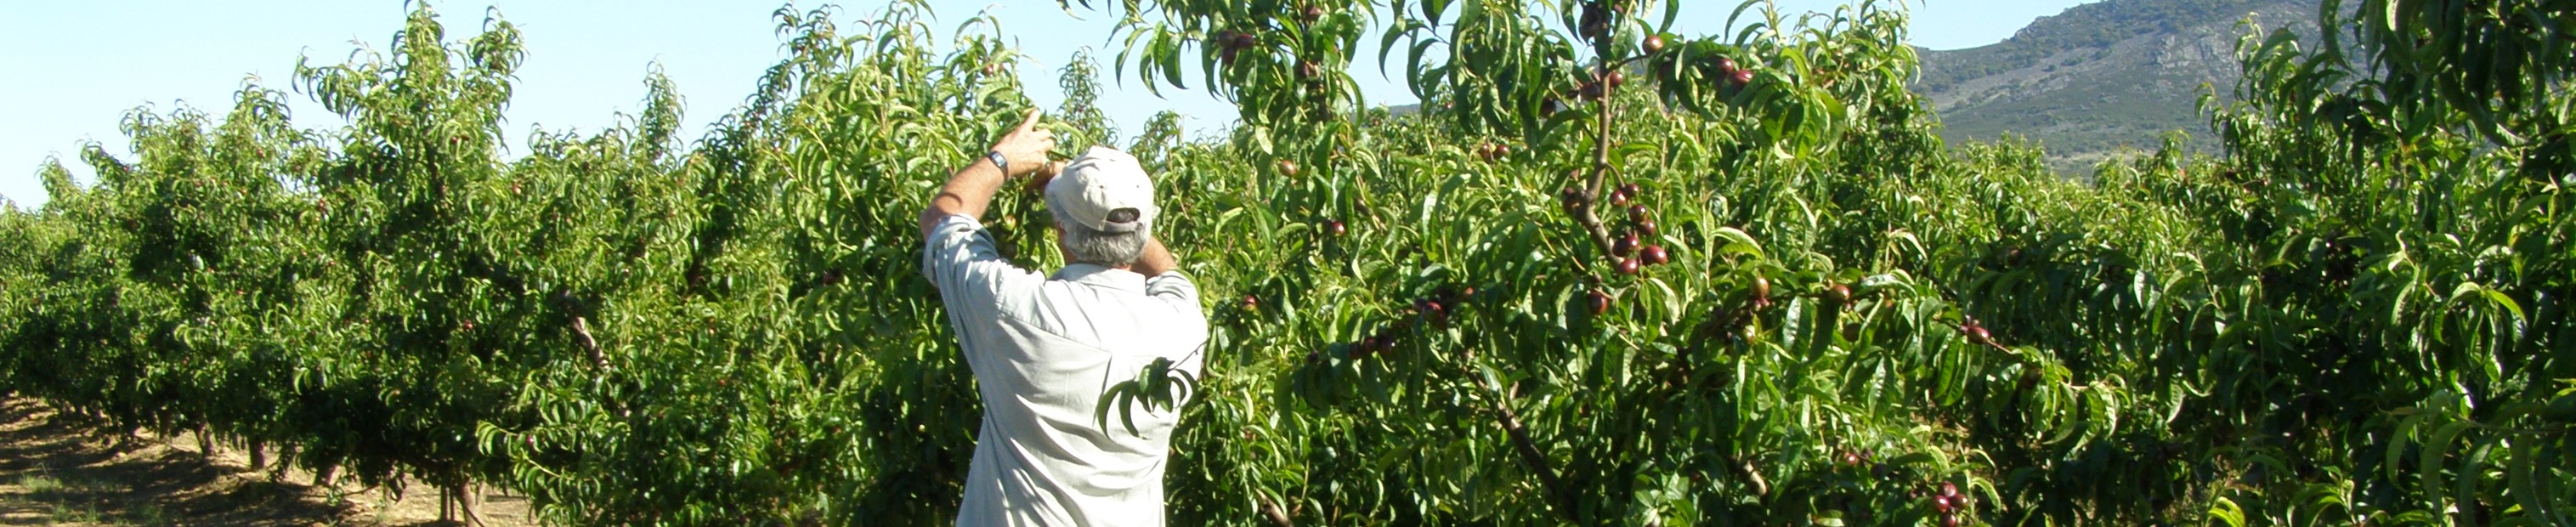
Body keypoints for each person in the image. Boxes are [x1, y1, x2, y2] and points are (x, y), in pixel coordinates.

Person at [918, 109, 1209, 526]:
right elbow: (1168, 271)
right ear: (1145, 231)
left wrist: (1003, 161)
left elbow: (942, 221)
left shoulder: (1014, 308)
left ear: (1059, 229)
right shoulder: (1183, 326)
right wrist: (1094, 202)